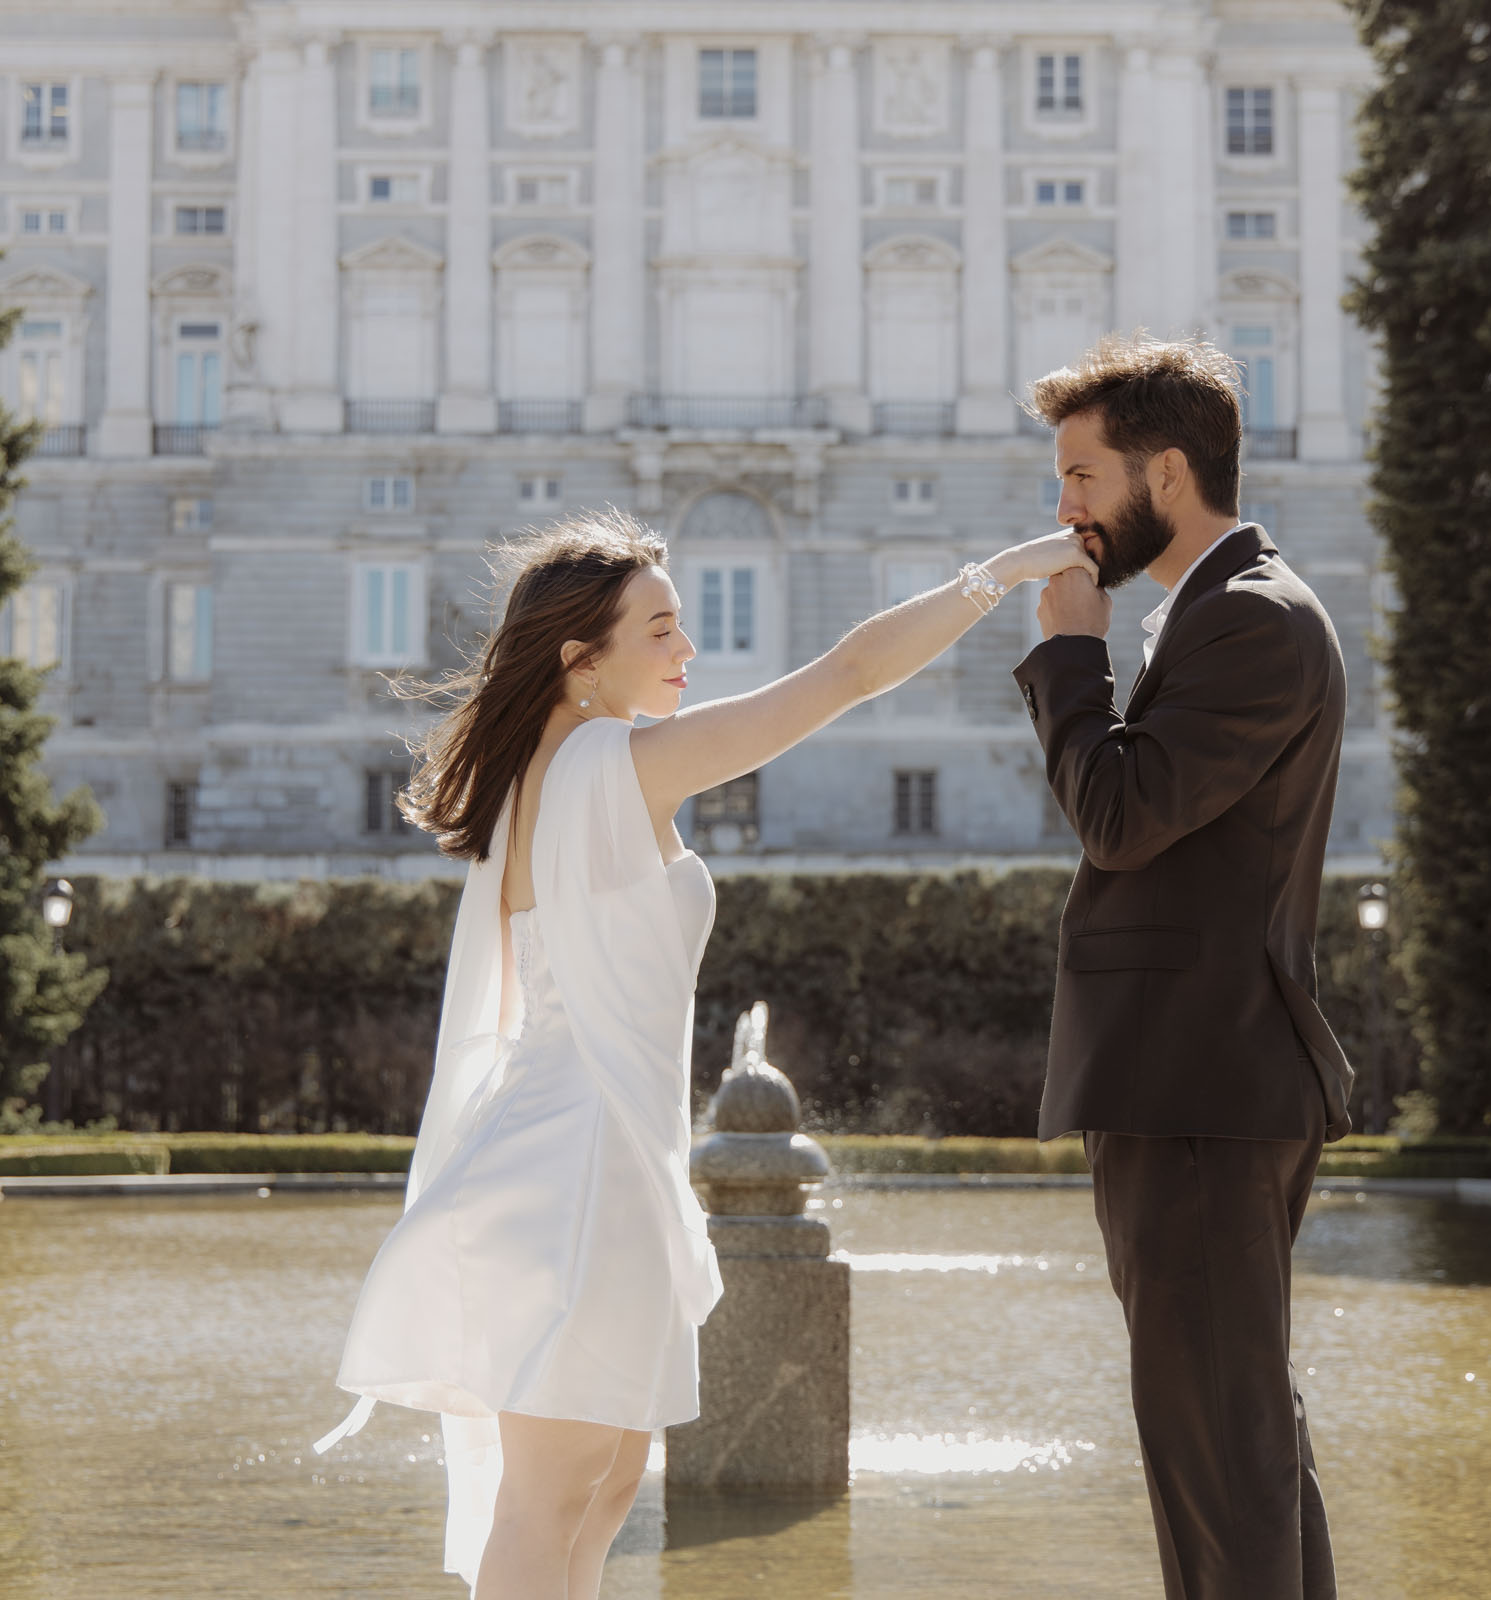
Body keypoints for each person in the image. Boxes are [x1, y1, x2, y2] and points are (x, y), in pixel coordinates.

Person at [311, 507, 1095, 1600]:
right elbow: (849, 674)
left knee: (600, 1491)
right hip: (577, 1163)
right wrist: (1000, 573)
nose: (690, 647)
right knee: (552, 1499)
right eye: (662, 630)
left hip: (599, 1155)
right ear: (582, 660)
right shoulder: (618, 764)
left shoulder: (545, 772)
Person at [1013, 334, 1355, 1600]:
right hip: (1192, 1085)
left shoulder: (1253, 618)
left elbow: (1120, 815)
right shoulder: (1220, 612)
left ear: (1164, 470)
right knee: (1233, 1437)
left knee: (1222, 1446)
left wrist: (1071, 656)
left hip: (1204, 1084)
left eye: (1082, 476)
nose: (1066, 507)